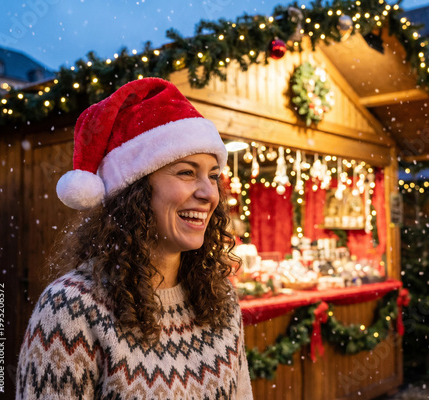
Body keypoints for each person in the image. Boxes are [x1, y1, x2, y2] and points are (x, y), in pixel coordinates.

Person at [16, 78, 254, 399]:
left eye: (213, 175)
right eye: (186, 172)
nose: (209, 193)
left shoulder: (220, 299)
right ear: (135, 192)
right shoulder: (70, 311)